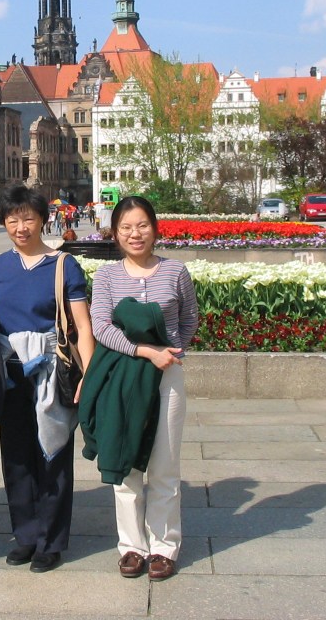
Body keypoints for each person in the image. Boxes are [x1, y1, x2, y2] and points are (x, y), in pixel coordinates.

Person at [85, 196, 198, 582]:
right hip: (124, 378)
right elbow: (101, 326)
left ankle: (164, 547)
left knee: (165, 465)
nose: (136, 234)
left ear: (155, 228)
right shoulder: (106, 276)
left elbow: (189, 317)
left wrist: (173, 350)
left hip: (166, 377)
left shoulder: (175, 271)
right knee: (127, 463)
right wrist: (145, 351)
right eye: (127, 227)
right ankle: (132, 547)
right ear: (115, 233)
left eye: (143, 225)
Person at [0, 186, 95, 573]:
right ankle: (26, 536)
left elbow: (83, 326)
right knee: (16, 457)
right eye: (12, 219)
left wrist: (88, 375)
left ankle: (51, 541)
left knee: (53, 454)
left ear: (43, 220)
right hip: (11, 372)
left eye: (28, 218)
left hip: (53, 369)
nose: (20, 227)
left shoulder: (64, 266)